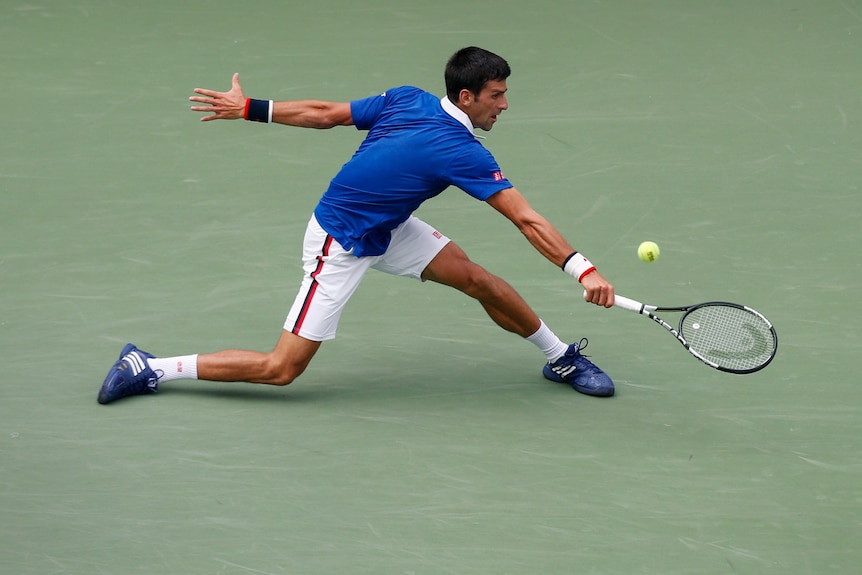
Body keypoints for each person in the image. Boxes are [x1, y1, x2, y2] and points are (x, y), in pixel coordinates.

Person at [98, 46, 617, 405]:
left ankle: (560, 357)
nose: (504, 104)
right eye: (496, 95)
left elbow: (326, 112)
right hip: (340, 241)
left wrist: (251, 108)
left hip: (387, 227)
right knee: (282, 369)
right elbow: (525, 219)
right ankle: (149, 367)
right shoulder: (462, 151)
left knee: (476, 279)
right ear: (467, 97)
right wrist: (584, 270)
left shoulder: (408, 98)